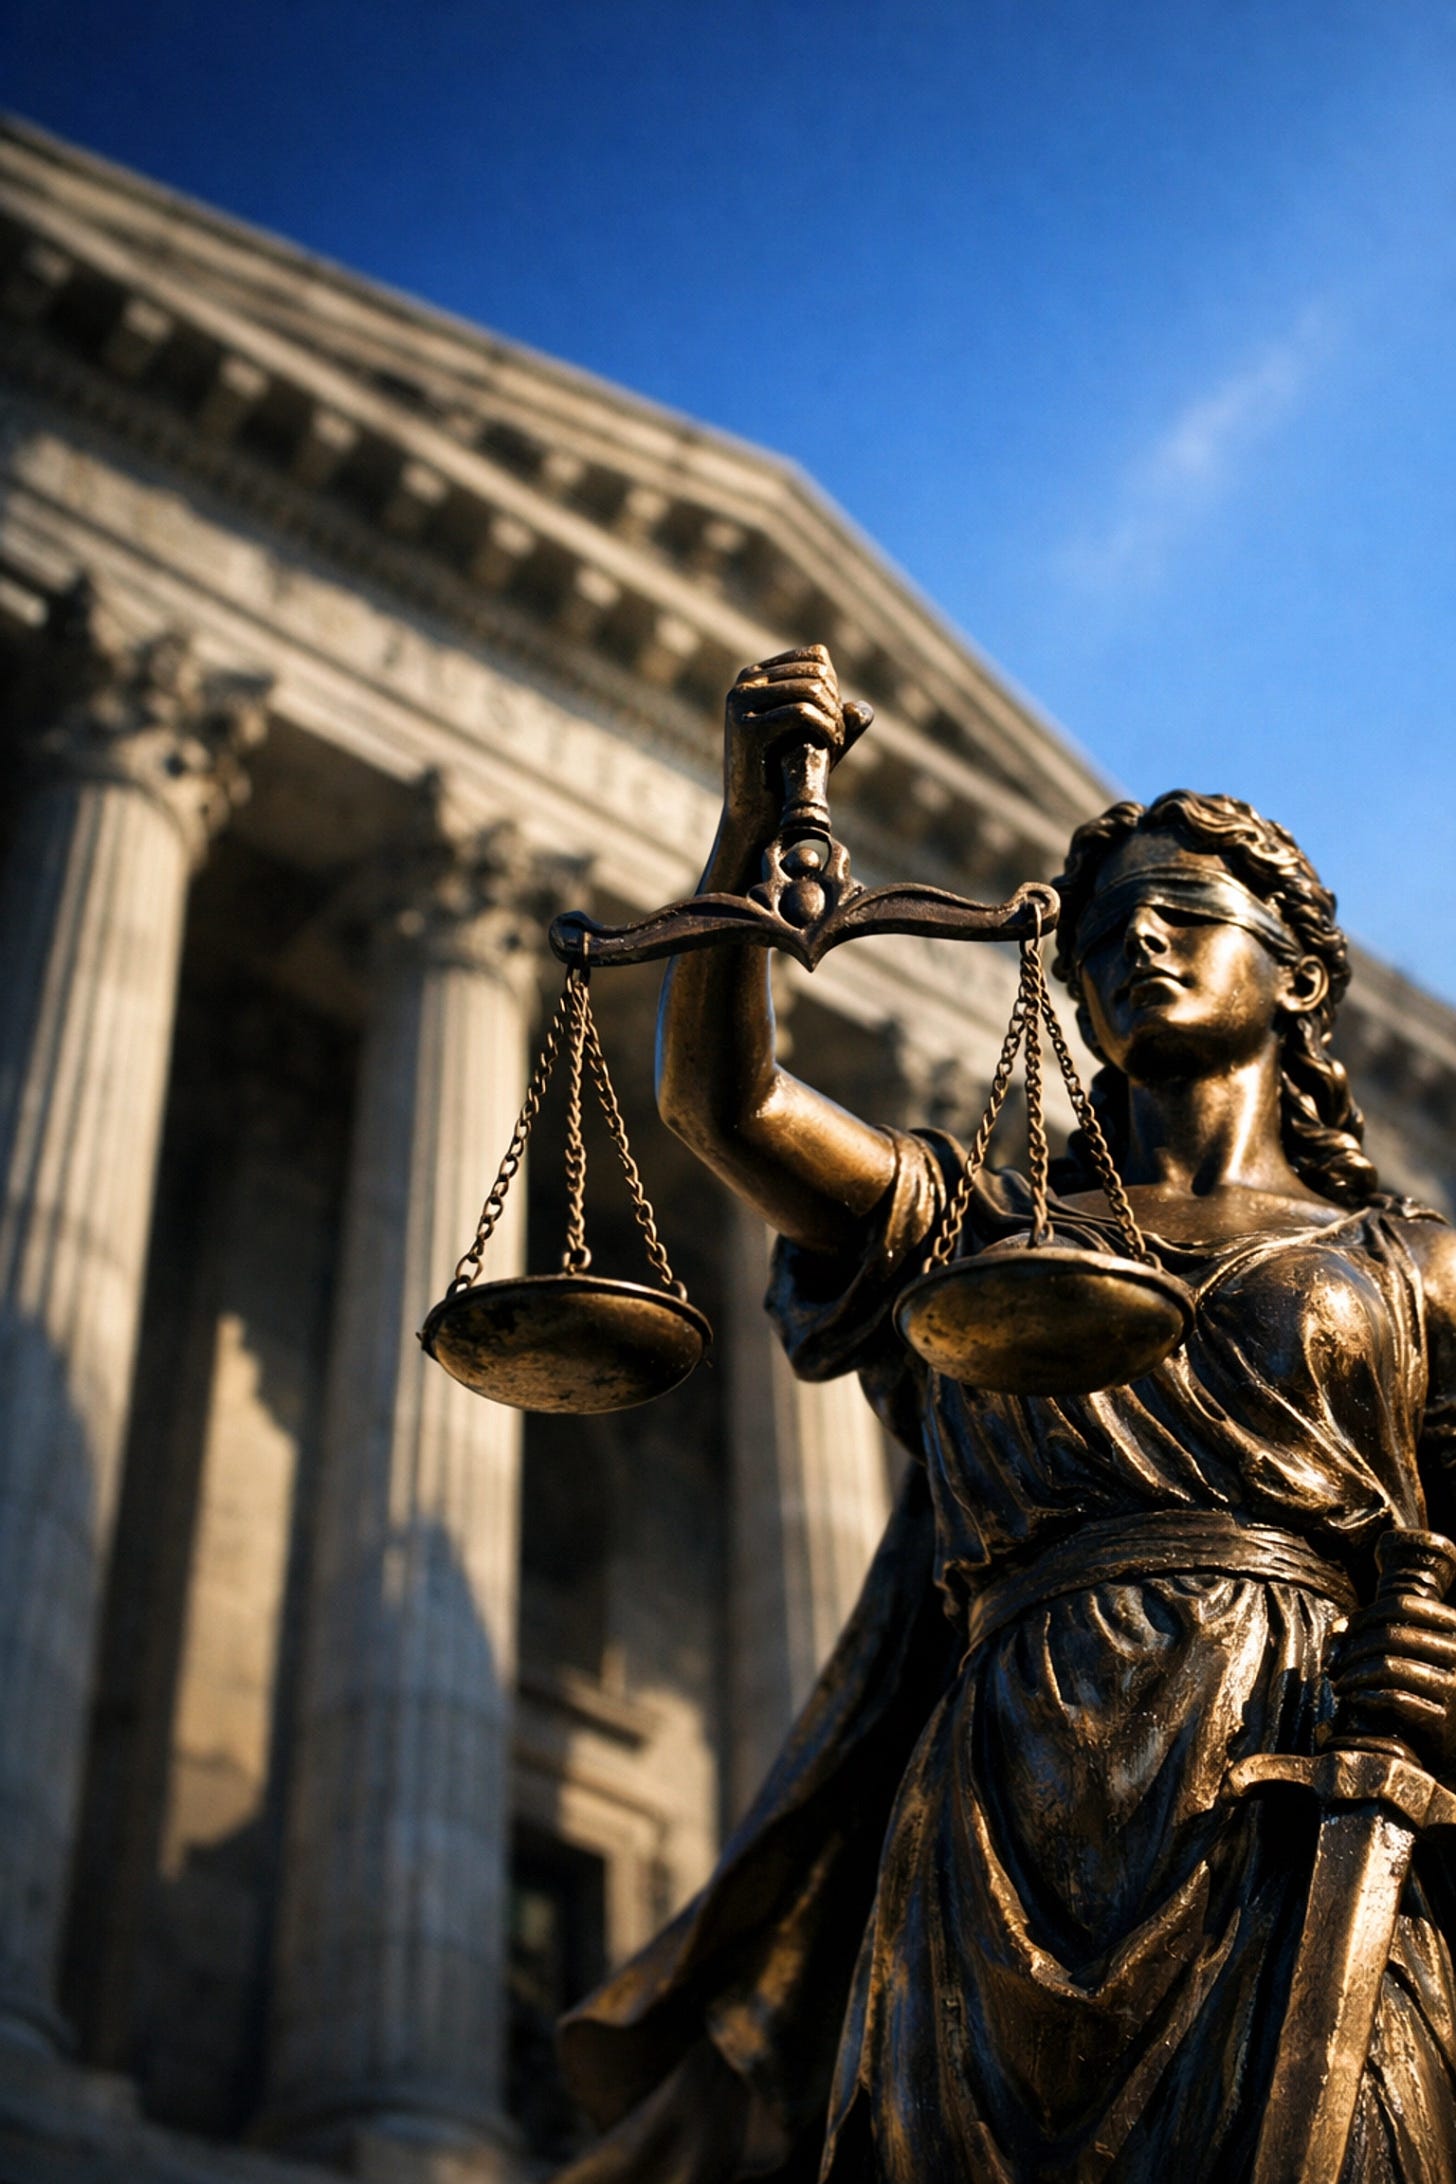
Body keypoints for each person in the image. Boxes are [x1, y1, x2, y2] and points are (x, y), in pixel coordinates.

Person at [553, 648, 1456, 2184]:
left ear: (1301, 976)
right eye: (1105, 932)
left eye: (1185, 911)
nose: (1138, 944)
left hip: (1308, 1795)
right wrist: (748, 837)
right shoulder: (992, 1240)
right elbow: (730, 1107)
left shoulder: (1419, 1263)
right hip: (1003, 1801)